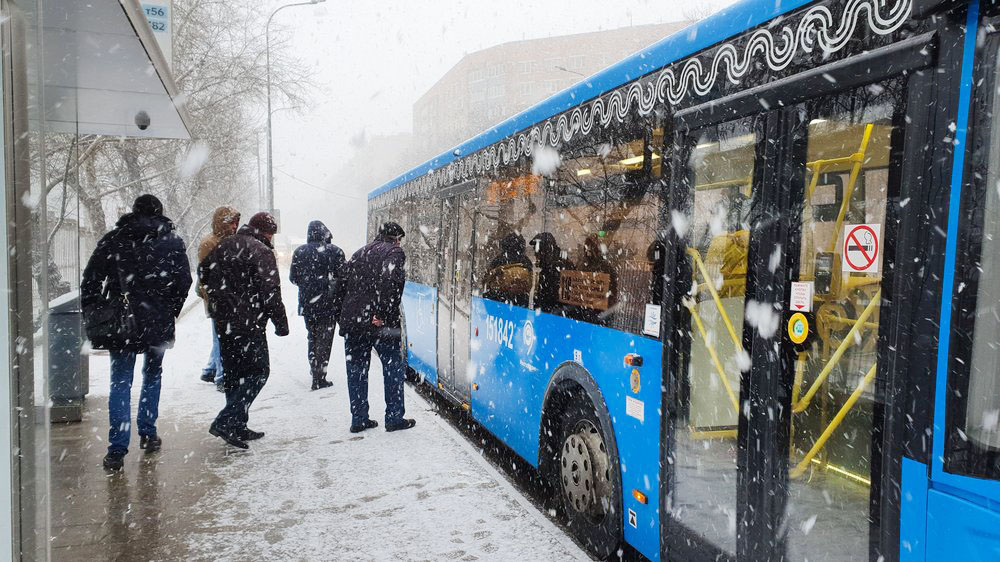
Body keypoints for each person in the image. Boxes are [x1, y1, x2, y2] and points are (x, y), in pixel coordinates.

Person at [81, 194, 192, 471]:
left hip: (123, 322)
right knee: (152, 375)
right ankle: (148, 432)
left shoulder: (115, 239)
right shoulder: (172, 242)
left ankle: (117, 449)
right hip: (157, 320)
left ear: (134, 211)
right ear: (160, 212)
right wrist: (170, 310)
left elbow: (91, 278)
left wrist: (96, 310)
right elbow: (184, 282)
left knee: (120, 381)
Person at [199, 212, 289, 449]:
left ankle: (238, 425)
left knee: (233, 375)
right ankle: (227, 420)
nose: (272, 237)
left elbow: (203, 274)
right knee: (259, 371)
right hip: (249, 324)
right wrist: (281, 323)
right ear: (263, 231)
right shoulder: (260, 251)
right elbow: (270, 292)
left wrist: (219, 301)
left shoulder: (224, 245)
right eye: (271, 232)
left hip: (224, 323)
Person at [338, 221, 415, 433]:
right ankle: (394, 417)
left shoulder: (359, 253)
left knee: (356, 370)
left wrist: (345, 316)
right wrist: (381, 314)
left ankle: (359, 418)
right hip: (380, 323)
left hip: (355, 322)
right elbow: (391, 282)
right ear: (397, 238)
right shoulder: (394, 253)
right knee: (392, 367)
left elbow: (339, 284)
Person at [290, 220, 345, 390]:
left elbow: (293, 278)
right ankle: (320, 375)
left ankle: (314, 368)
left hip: (308, 305)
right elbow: (344, 277)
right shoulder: (335, 251)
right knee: (325, 339)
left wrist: (308, 285)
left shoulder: (299, 252)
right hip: (329, 304)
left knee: (312, 337)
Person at [197, 207, 240, 392]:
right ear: (222, 222)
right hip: (217, 298)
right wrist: (213, 297)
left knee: (220, 335)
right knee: (222, 336)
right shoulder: (209, 243)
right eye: (231, 222)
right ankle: (222, 376)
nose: (235, 226)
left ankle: (211, 369)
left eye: (236, 222)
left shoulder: (228, 240)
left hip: (227, 296)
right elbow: (205, 275)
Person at [482, 232, 533, 307]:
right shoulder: (526, 262)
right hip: (520, 305)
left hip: (499, 303)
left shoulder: (498, 260)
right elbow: (529, 285)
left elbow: (486, 281)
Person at [529, 232, 574, 313]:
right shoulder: (549, 266)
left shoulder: (557, 267)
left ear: (544, 251)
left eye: (537, 250)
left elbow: (564, 297)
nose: (535, 254)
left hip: (556, 316)